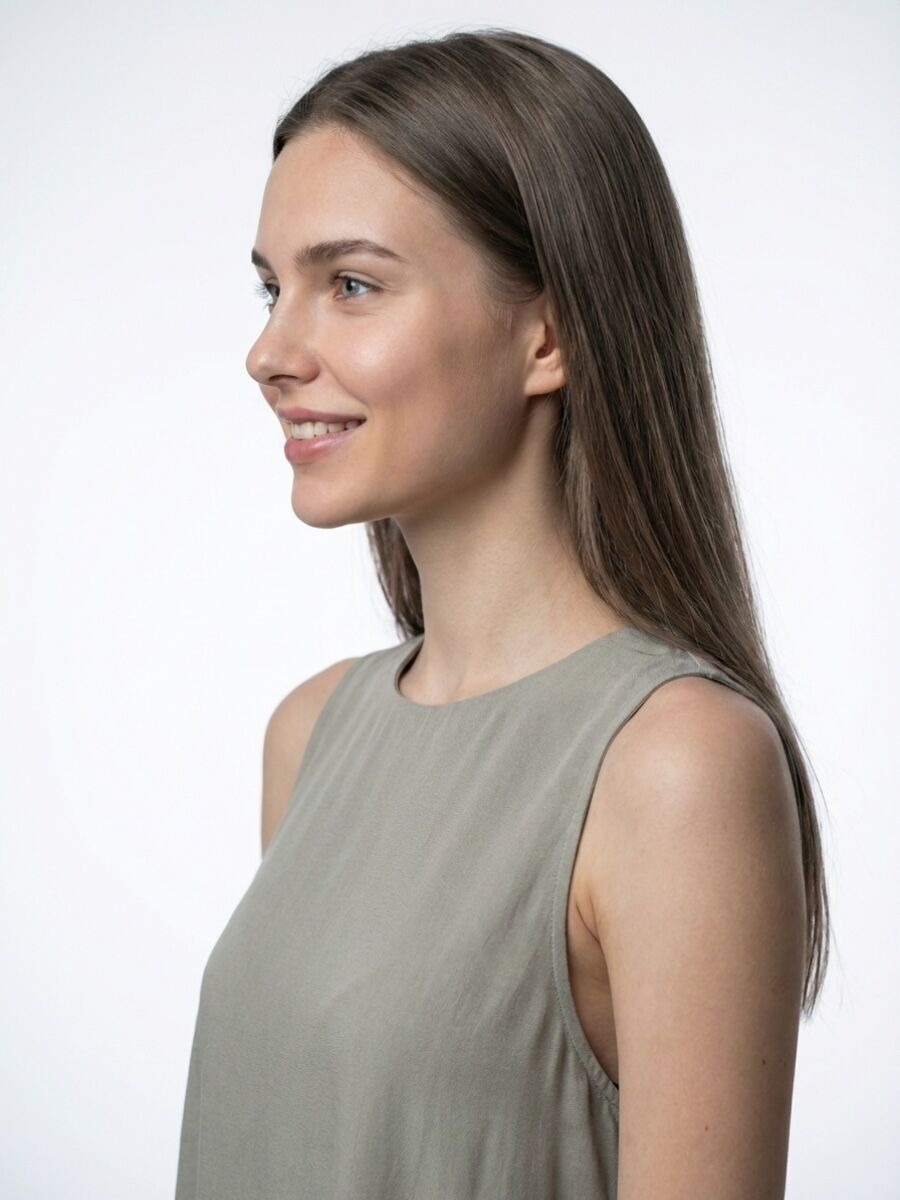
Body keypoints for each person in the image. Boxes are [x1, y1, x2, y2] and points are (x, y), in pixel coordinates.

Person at [175, 28, 830, 1199]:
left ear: (550, 335)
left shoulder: (675, 767)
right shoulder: (312, 735)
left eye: (351, 285)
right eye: (274, 289)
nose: (269, 353)